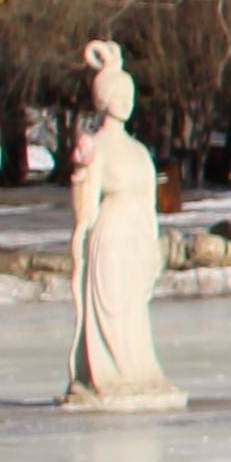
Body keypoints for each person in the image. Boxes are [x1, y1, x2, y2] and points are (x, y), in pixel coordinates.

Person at [65, 38, 185, 412]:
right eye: (119, 94)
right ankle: (107, 373)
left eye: (129, 94)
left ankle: (137, 370)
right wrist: (82, 173)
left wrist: (153, 244)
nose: (126, 102)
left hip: (136, 233)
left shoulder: (138, 151)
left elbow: (151, 203)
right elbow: (86, 209)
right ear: (104, 98)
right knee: (112, 307)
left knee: (133, 310)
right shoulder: (97, 147)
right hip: (112, 236)